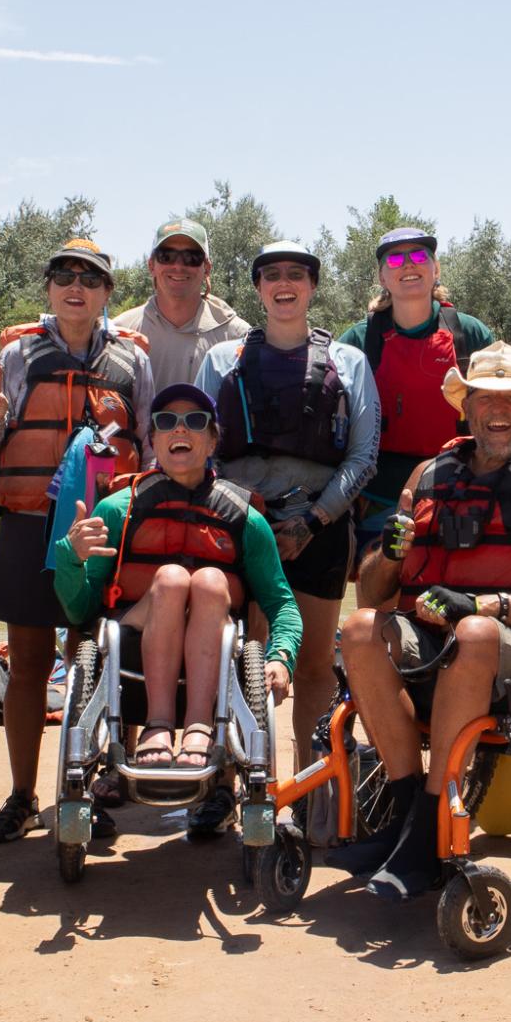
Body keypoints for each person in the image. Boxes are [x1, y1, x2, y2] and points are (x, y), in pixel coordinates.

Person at [333, 342, 511, 900]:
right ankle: (408, 815)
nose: (497, 410)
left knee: (473, 632)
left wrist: (482, 606)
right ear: (467, 407)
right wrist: (390, 553)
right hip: (427, 632)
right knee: (358, 628)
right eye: (483, 398)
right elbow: (375, 590)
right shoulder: (430, 474)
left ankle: (429, 828)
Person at [0, 239, 154, 845]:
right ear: (49, 287)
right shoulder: (18, 355)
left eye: (90, 278)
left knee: (93, 657)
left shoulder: (132, 363)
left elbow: (149, 448)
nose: (75, 285)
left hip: (104, 526)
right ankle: (23, 797)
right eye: (63, 275)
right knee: (27, 663)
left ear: (107, 294)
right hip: (30, 525)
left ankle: (86, 785)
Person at [53, 384, 303, 775]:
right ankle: (158, 726)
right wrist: (70, 557)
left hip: (218, 650)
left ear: (212, 441)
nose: (180, 430)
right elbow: (80, 609)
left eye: (195, 422)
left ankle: (201, 726)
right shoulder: (118, 509)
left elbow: (281, 602)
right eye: (166, 422)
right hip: (132, 649)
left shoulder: (245, 518)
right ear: (153, 439)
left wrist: (282, 656)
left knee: (207, 581)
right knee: (170, 579)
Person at [195, 240, 378, 755]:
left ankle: (312, 787)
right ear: (258, 288)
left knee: (316, 661)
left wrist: (312, 522)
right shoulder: (219, 361)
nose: (284, 283)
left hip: (318, 528)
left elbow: (363, 459)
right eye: (271, 274)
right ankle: (233, 784)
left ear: (312, 286)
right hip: (237, 524)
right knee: (242, 656)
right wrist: (240, 509)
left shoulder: (350, 363)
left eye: (296, 274)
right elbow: (196, 450)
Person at [337, 226, 496, 554]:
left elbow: (502, 406)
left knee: (448, 595)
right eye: (395, 259)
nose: (408, 265)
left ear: (435, 269)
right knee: (378, 593)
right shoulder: (358, 340)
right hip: (378, 498)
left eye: (419, 256)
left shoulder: (470, 333)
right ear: (382, 277)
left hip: (460, 490)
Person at [112, 217, 252, 390]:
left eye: (191, 257)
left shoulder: (238, 335)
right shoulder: (120, 332)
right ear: (151, 265)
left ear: (207, 268)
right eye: (167, 256)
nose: (178, 266)